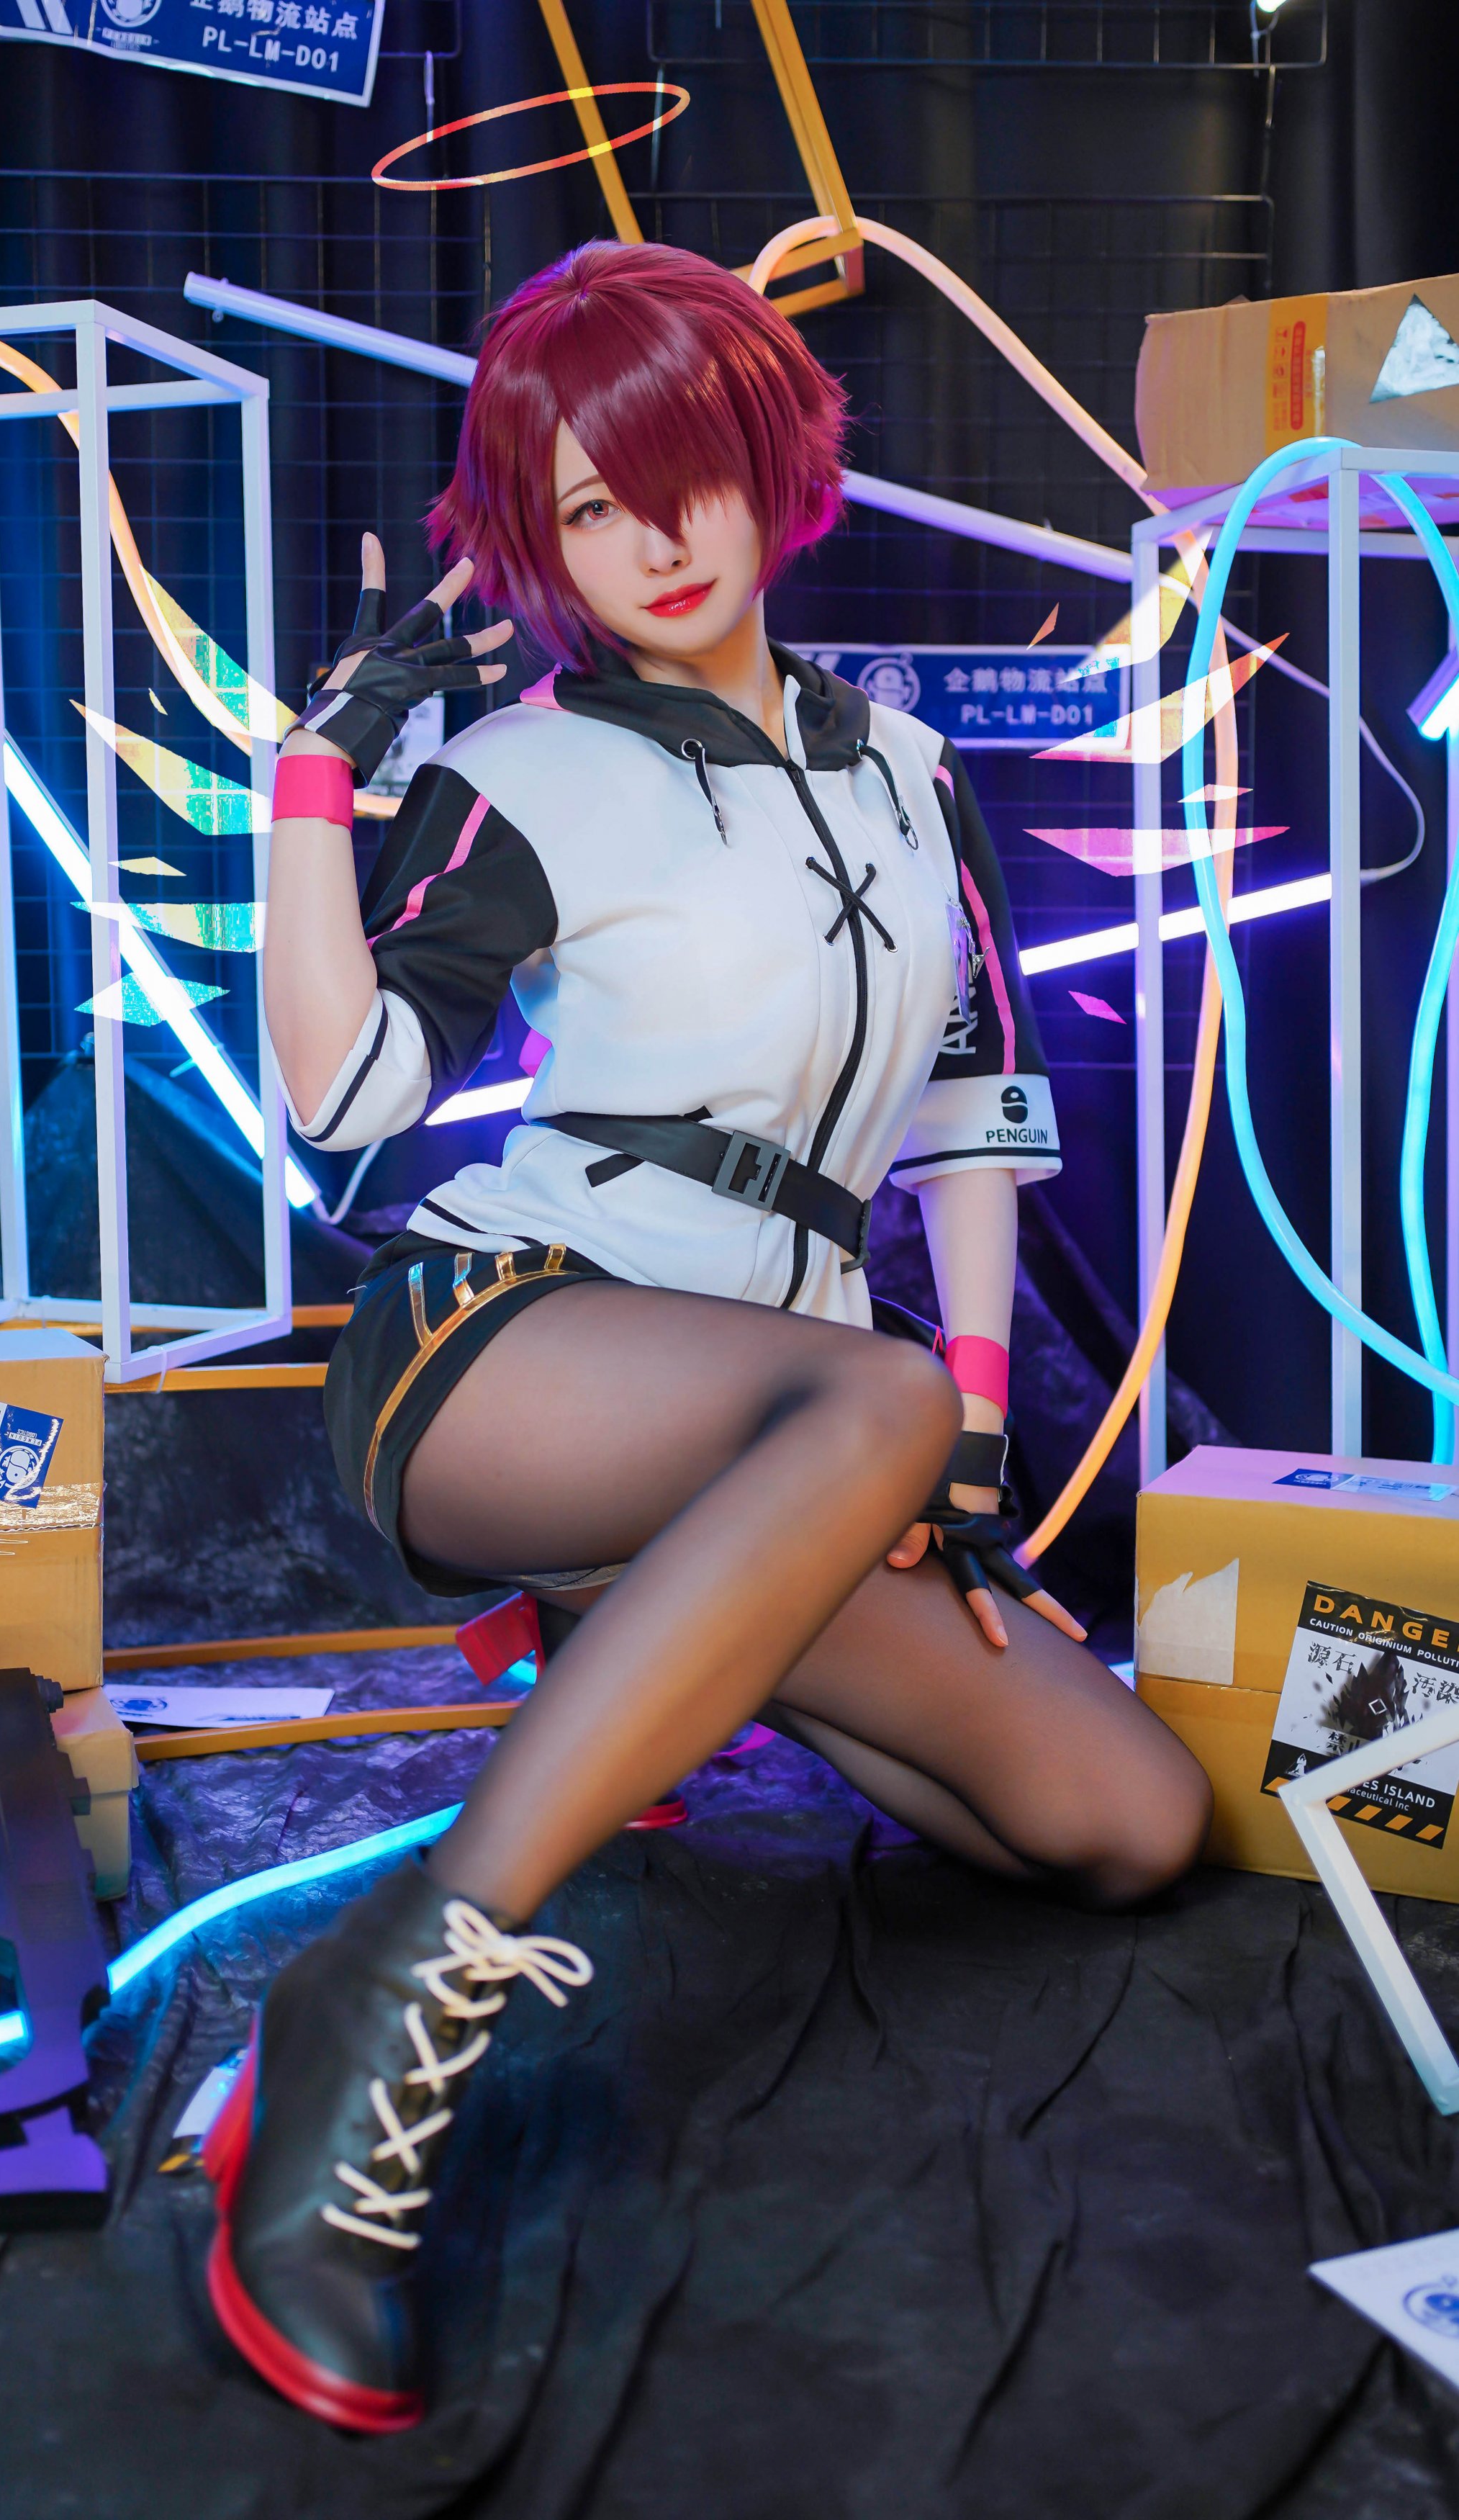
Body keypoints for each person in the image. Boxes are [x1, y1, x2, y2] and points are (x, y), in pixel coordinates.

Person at [204, 240, 1212, 2433]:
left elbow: (972, 1110)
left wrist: (966, 1431)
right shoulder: (523, 767)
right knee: (859, 1394)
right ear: (539, 543)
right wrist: (311, 783)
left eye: (681, 472)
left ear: (770, 461)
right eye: (586, 506)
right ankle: (378, 2008)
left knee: (1132, 1819)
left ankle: (672, 1616)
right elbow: (347, 1107)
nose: (650, 539)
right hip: (502, 1350)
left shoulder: (914, 772)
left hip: (802, 1431)